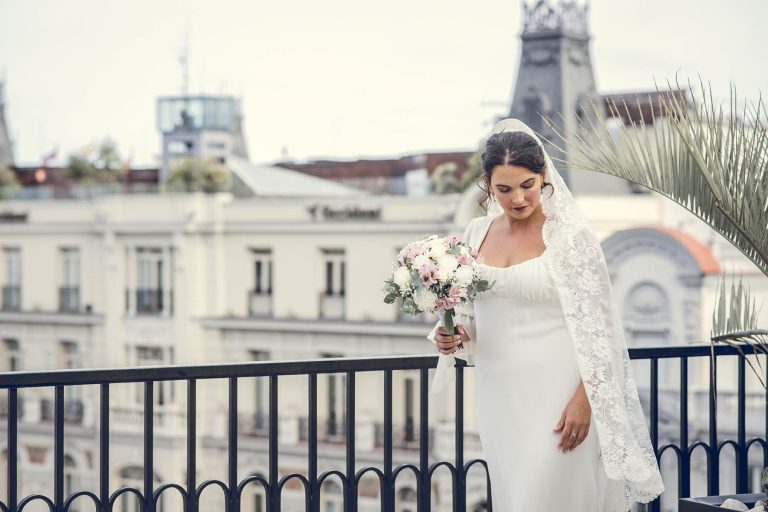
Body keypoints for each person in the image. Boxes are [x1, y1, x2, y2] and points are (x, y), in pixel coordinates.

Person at [427, 119, 664, 511]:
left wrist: (585, 401)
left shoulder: (570, 238)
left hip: (559, 396)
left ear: (543, 178)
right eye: (504, 189)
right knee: (515, 499)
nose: (517, 198)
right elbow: (467, 315)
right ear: (488, 184)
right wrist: (449, 333)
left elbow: (602, 329)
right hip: (499, 395)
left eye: (527, 185)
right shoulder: (474, 233)